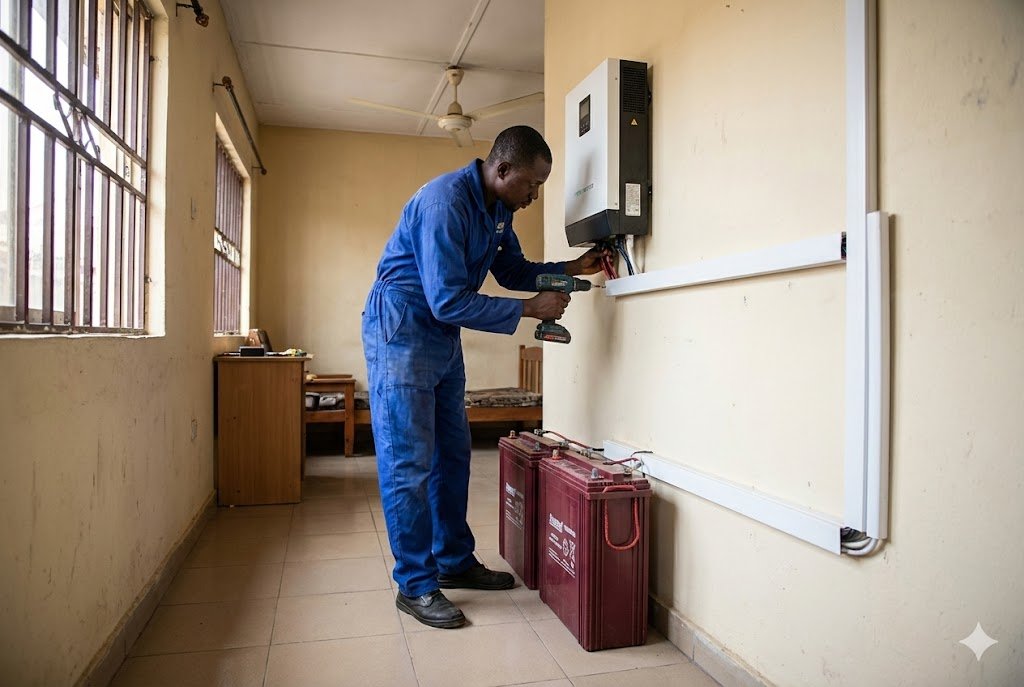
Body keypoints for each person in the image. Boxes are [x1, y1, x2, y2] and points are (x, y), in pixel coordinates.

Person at [362, 125, 608, 629]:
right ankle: (415, 584)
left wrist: (572, 269)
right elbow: (447, 297)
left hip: (440, 332)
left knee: (453, 453)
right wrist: (529, 310)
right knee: (409, 462)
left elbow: (513, 270)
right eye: (532, 185)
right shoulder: (444, 204)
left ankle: (453, 562)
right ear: (502, 170)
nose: (534, 196)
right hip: (403, 326)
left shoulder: (497, 209)